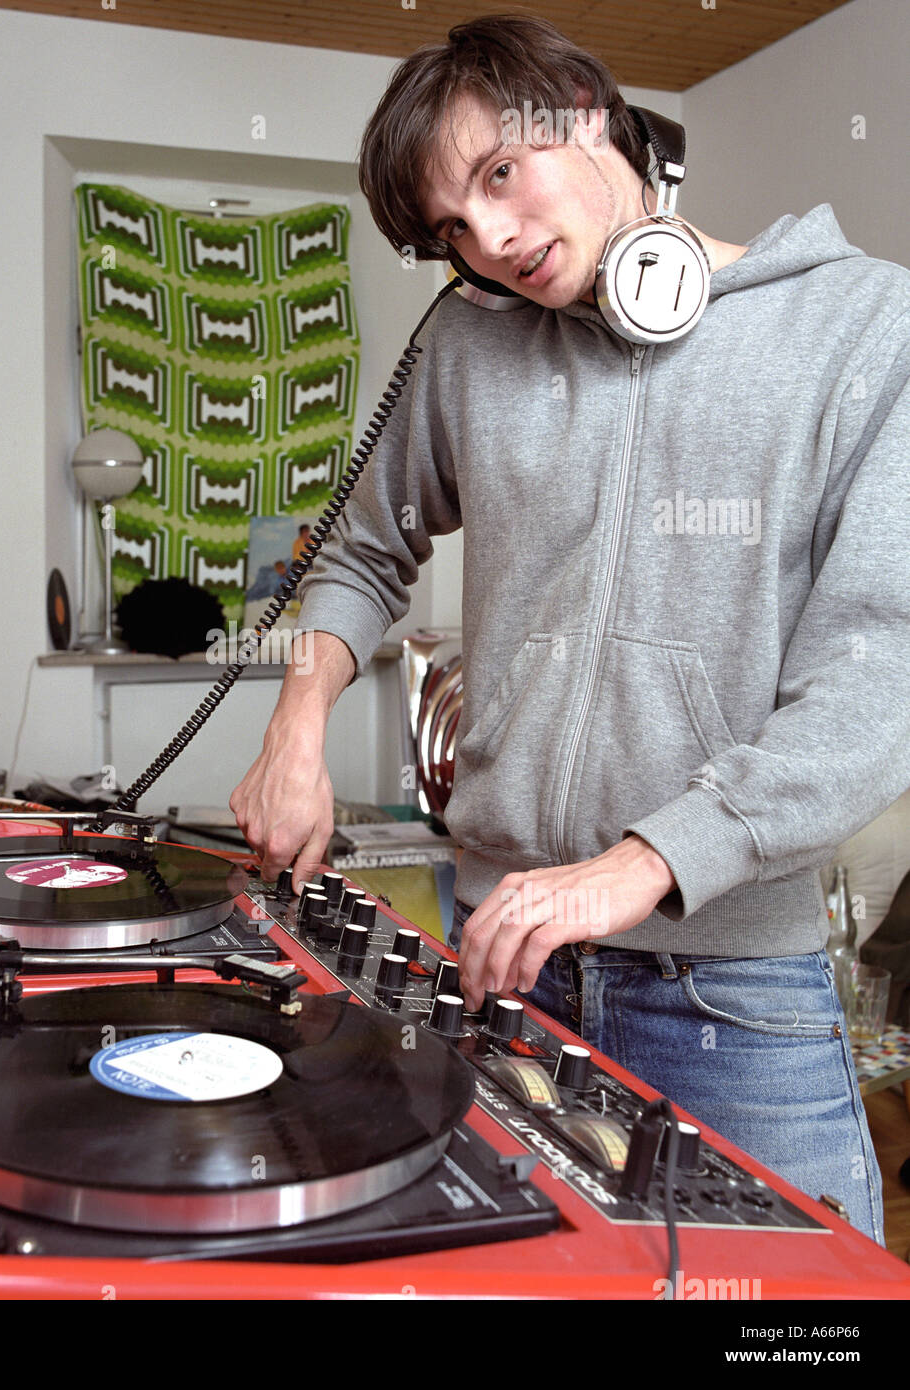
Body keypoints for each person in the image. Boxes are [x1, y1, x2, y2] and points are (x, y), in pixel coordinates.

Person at [229, 13, 910, 1246]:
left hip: (734, 998)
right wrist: (296, 721)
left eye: (498, 175)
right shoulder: (469, 348)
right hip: (503, 972)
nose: (488, 240)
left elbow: (882, 678)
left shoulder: (864, 331)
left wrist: (639, 864)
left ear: (590, 111)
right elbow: (362, 545)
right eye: (449, 229)